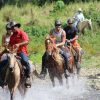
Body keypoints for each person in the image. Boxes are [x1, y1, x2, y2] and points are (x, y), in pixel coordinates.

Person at [0, 21, 31, 87]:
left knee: (25, 61)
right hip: (13, 53)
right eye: (11, 28)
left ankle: (27, 77)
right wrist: (6, 47)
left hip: (21, 52)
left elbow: (27, 41)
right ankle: (2, 81)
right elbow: (10, 45)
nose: (12, 29)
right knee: (2, 63)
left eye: (13, 27)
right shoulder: (12, 36)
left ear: (16, 26)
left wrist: (19, 44)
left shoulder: (22, 33)